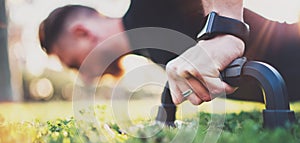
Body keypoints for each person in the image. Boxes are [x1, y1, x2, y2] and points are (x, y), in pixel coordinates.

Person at [38, 0, 300, 105]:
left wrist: (224, 31)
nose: (83, 76)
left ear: (81, 32)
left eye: (74, 63)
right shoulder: (157, 56)